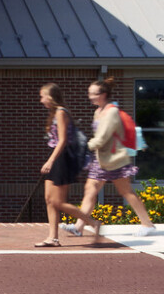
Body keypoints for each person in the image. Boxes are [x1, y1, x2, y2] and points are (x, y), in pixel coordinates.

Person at [79, 77, 155, 242]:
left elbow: (102, 138)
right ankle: (78, 226)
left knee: (126, 191)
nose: (90, 96)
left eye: (93, 93)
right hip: (101, 159)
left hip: (115, 159)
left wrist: (84, 146)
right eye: (89, 93)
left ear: (104, 94)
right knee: (90, 190)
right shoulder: (98, 111)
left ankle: (147, 224)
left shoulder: (111, 112)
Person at [34, 82, 94, 247]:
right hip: (55, 156)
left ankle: (92, 222)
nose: (41, 100)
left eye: (42, 96)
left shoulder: (61, 113)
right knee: (48, 199)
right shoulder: (55, 113)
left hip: (62, 158)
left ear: (50, 97)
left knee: (58, 201)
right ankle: (52, 238)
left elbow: (63, 140)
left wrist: (50, 161)